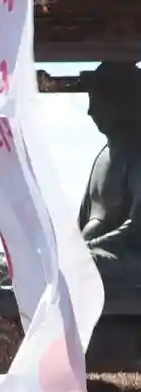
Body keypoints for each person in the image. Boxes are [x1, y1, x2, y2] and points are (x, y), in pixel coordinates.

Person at [79, 61, 141, 300]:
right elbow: (80, 221)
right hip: (91, 257)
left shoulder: (136, 153)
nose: (91, 111)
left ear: (123, 101)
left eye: (98, 101)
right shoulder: (102, 157)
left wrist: (87, 249)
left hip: (127, 262)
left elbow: (136, 227)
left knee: (86, 265)